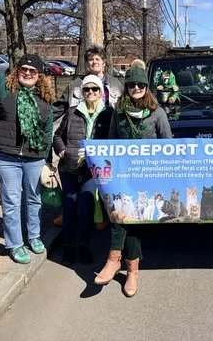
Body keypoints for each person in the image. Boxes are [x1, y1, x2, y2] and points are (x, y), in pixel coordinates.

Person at [94, 65, 172, 297]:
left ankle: (122, 264)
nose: (136, 88)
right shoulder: (118, 113)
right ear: (126, 88)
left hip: (148, 177)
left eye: (140, 85)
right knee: (121, 215)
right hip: (123, 175)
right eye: (131, 85)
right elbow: (110, 142)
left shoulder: (157, 112)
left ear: (146, 88)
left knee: (133, 221)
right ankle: (124, 266)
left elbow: (168, 143)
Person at [0, 54, 54, 264]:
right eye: (24, 69)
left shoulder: (45, 99)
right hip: (5, 158)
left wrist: (47, 161)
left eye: (33, 71)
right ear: (17, 70)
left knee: (34, 198)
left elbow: (48, 132)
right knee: (12, 201)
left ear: (39, 75)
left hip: (34, 158)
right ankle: (14, 244)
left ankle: (34, 236)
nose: (28, 73)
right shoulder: (6, 89)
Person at [52, 45, 124, 227]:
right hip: (79, 140)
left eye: (97, 59)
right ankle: (70, 213)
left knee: (104, 180)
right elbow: (59, 107)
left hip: (105, 137)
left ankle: (103, 215)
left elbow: (123, 108)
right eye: (90, 60)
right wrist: (43, 117)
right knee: (76, 187)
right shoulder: (76, 85)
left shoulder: (116, 84)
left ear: (104, 63)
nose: (94, 62)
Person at [53, 75, 113, 265]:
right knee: (70, 206)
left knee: (85, 208)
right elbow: (57, 136)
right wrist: (61, 150)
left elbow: (113, 140)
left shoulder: (108, 113)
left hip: (92, 171)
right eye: (86, 89)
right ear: (82, 92)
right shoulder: (72, 112)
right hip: (70, 167)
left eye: (94, 89)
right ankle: (69, 247)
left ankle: (84, 247)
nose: (90, 93)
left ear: (100, 92)